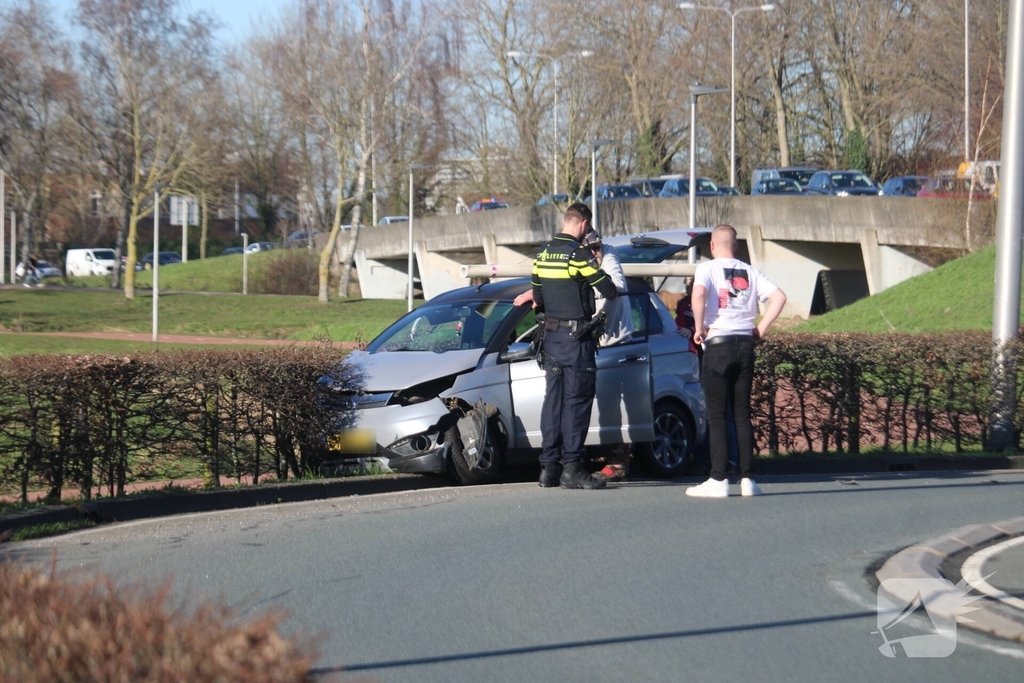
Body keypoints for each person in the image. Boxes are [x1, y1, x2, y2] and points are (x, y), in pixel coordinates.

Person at [686, 225, 786, 498]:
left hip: (718, 343)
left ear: (712, 246)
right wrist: (760, 328)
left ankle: (718, 478)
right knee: (742, 414)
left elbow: (698, 295)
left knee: (717, 414)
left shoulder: (707, 268)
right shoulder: (749, 271)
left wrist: (698, 327)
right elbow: (779, 297)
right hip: (745, 344)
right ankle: (748, 479)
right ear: (736, 246)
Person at [531, 202, 618, 489]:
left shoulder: (543, 253)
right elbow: (609, 290)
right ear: (583, 224)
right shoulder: (578, 254)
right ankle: (572, 468)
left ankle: (548, 469)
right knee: (577, 402)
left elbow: (538, 297)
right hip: (576, 339)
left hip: (550, 338)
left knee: (553, 402)